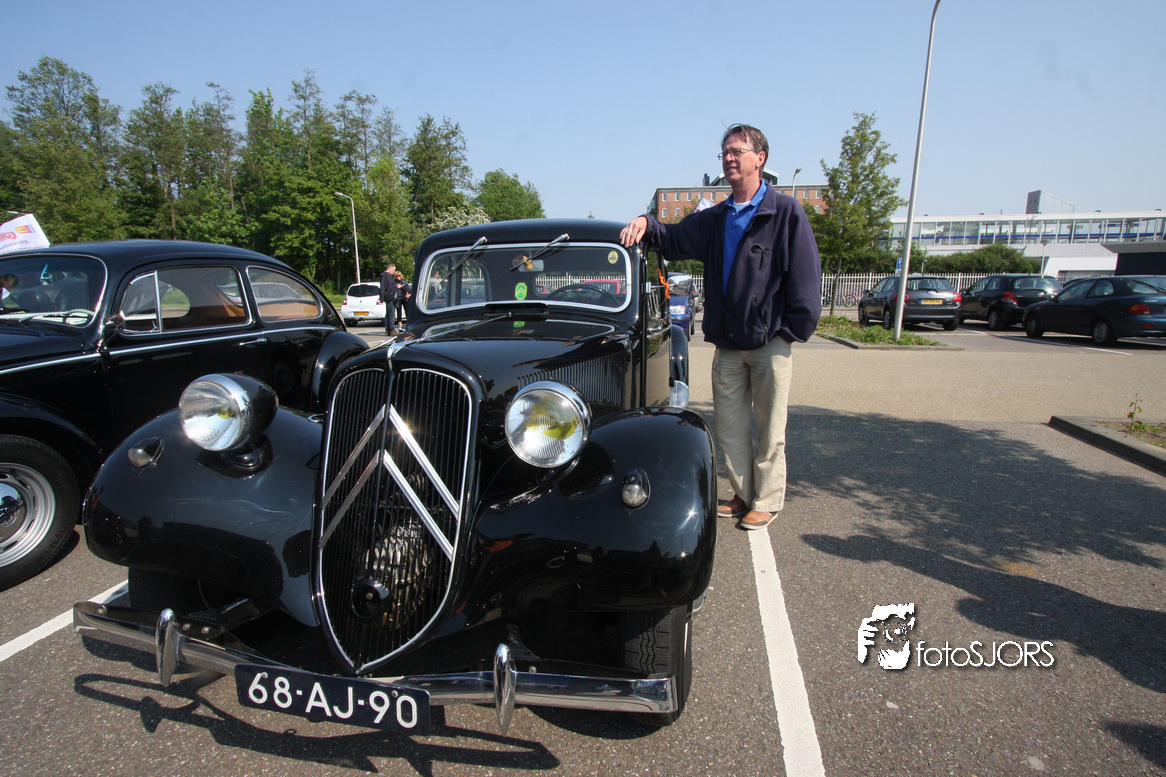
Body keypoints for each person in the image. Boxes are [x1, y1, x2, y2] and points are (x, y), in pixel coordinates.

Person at [620, 124, 822, 530]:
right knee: (729, 429)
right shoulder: (716, 217)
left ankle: (767, 499)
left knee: (770, 430)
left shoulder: (784, 212)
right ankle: (743, 494)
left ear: (759, 158)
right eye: (725, 152)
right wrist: (646, 222)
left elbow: (805, 277)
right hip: (728, 345)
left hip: (770, 343)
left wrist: (788, 331)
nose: (729, 158)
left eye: (737, 151)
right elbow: (674, 238)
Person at [379, 263, 398, 334]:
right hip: (390, 297)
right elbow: (383, 287)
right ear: (390, 269)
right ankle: (391, 330)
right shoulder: (386, 275)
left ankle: (388, 330)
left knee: (388, 314)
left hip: (389, 297)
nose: (394, 272)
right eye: (394, 270)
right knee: (391, 314)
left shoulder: (386, 275)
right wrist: (396, 287)